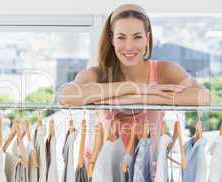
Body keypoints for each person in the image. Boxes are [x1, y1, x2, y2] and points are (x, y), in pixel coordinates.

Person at [58, 4, 209, 149]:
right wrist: (139, 88)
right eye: (121, 37)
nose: (129, 46)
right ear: (112, 39)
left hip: (149, 170)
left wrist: (140, 98)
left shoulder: (164, 70)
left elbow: (203, 97)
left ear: (147, 38)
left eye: (137, 37)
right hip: (100, 170)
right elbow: (66, 97)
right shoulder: (97, 74)